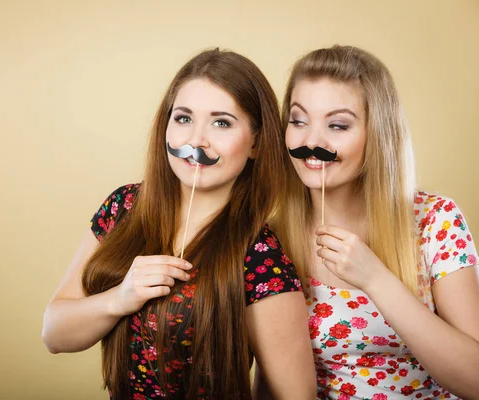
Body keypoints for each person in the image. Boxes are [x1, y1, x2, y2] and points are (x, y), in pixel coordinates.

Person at [41, 48, 316, 400]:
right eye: (184, 118)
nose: (195, 141)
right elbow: (54, 334)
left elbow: (297, 396)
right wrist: (120, 298)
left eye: (222, 123)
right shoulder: (123, 206)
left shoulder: (260, 257)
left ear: (257, 143)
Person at [257, 45, 479, 399]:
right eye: (298, 121)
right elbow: (271, 383)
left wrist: (375, 278)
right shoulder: (270, 243)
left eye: (338, 125)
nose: (312, 141)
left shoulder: (435, 221)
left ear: (377, 134)